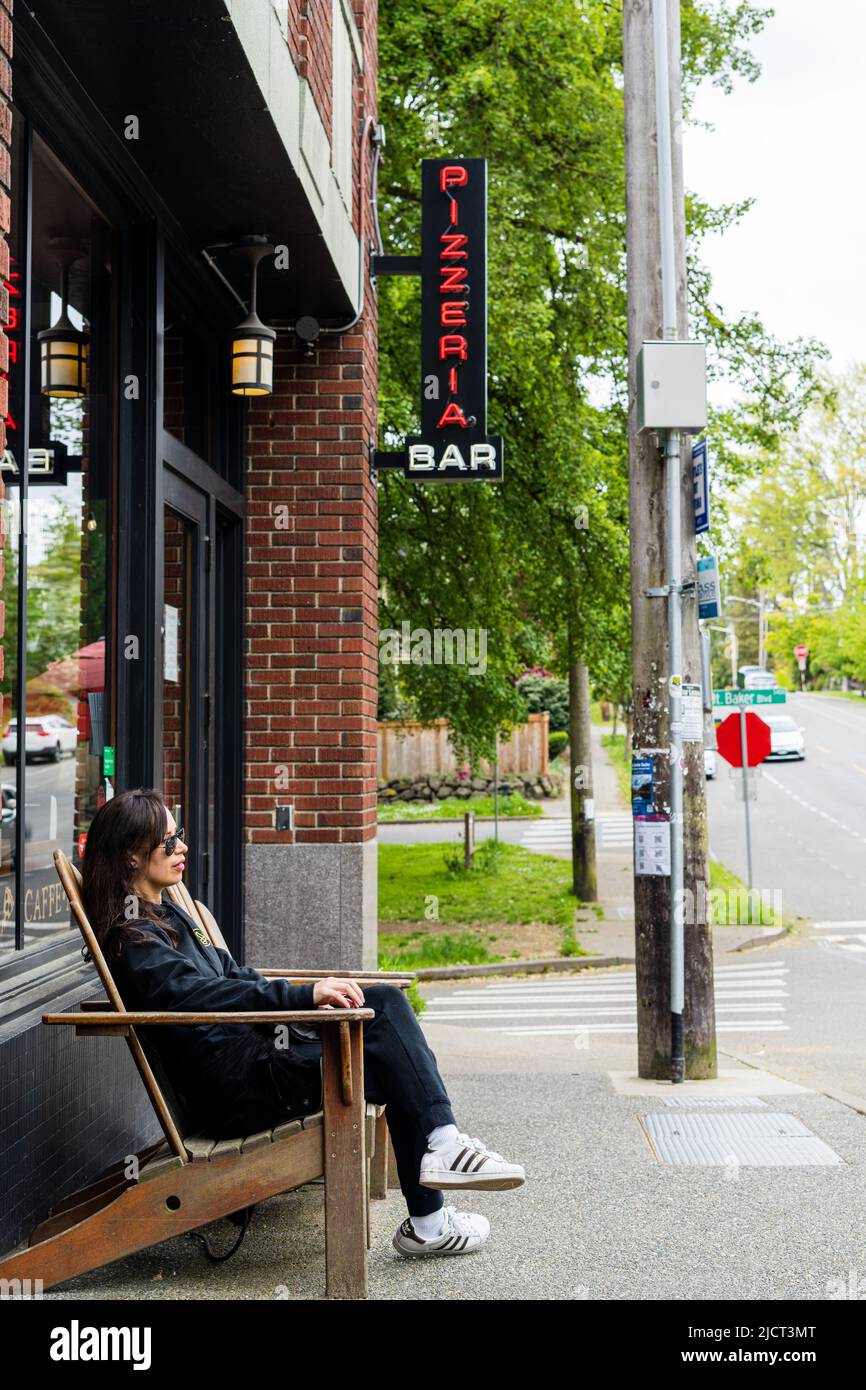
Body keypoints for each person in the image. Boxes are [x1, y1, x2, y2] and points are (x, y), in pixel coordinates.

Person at [80, 788, 525, 1259]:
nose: (182, 848)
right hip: (239, 1091)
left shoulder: (165, 914)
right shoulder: (135, 939)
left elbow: (232, 975)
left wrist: (309, 1003)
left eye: (180, 836)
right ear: (131, 855)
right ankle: (437, 1187)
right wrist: (301, 997)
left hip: (260, 1064)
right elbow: (199, 995)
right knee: (390, 1024)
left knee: (387, 1024)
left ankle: (439, 1172)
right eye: (169, 842)